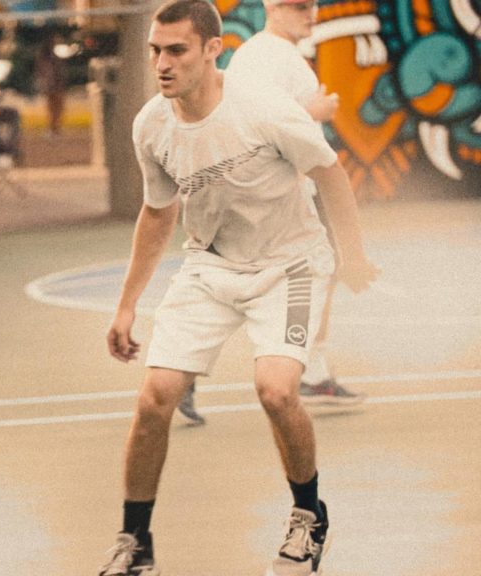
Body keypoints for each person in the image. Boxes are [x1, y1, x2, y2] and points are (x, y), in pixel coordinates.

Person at [99, 1, 377, 575]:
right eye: (155, 50)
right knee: (154, 399)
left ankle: (308, 517)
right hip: (210, 267)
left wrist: (352, 256)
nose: (162, 63)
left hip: (290, 264)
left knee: (276, 390)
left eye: (176, 50)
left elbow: (329, 174)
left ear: (211, 50)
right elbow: (157, 213)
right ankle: (134, 542)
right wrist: (126, 305)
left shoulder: (264, 109)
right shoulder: (152, 122)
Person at [176, 0, 365, 424]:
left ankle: (312, 373)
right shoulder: (261, 56)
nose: (310, 12)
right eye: (299, 5)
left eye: (313, 4)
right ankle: (181, 374)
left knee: (317, 273)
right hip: (270, 194)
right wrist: (312, 112)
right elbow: (244, 118)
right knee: (235, 289)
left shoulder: (285, 55)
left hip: (293, 190)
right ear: (272, 7)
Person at [34, 31, 68, 135]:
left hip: (56, 84)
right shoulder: (46, 58)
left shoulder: (58, 56)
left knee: (57, 106)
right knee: (53, 107)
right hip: (52, 84)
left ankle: (55, 127)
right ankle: (53, 127)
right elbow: (44, 73)